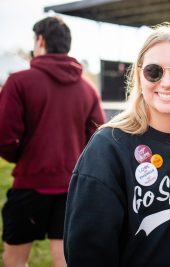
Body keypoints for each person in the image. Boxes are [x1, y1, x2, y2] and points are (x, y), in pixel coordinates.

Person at [63, 22, 170, 266]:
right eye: (154, 71)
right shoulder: (108, 148)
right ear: (140, 76)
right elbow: (87, 252)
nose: (167, 82)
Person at [0, 16, 105, 267]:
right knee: (64, 260)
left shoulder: (19, 82)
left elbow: (4, 137)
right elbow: (98, 138)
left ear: (40, 41)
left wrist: (24, 156)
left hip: (29, 184)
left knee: (14, 261)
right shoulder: (88, 88)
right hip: (72, 187)